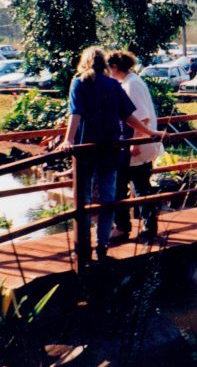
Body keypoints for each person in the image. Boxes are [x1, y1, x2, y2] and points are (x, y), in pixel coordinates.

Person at [51, 46, 165, 262]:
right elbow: (129, 115)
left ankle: (83, 246)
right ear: (104, 63)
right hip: (111, 149)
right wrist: (150, 132)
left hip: (87, 150)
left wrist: (69, 140)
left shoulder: (80, 82)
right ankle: (102, 245)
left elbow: (76, 113)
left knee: (82, 200)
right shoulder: (113, 84)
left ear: (84, 62)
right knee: (108, 199)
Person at [107, 50, 162, 243]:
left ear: (114, 67)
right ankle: (127, 226)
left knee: (137, 187)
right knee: (126, 186)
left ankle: (141, 226)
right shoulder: (128, 82)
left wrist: (135, 143)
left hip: (136, 147)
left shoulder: (132, 85)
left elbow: (143, 116)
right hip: (130, 145)